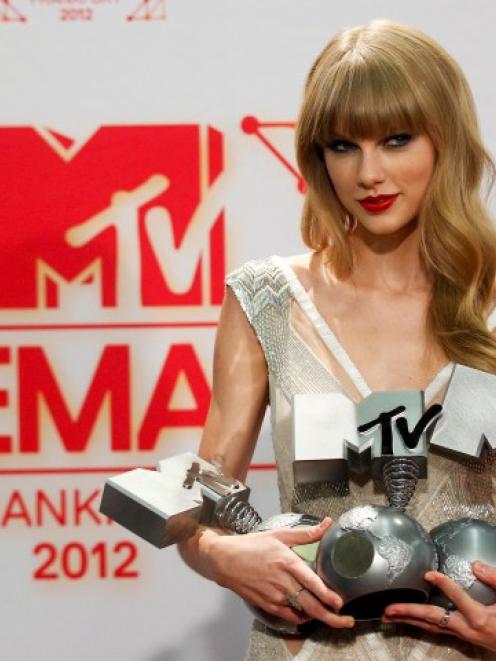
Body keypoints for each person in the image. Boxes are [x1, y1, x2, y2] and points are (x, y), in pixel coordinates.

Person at [179, 18, 496, 660]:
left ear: (447, 139)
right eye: (343, 146)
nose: (369, 173)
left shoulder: (488, 303)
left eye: (397, 139)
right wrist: (220, 556)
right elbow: (200, 500)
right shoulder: (266, 300)